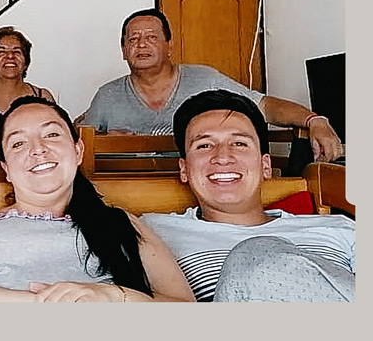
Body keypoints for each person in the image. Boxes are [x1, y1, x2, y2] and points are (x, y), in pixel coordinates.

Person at [0, 95, 194, 302]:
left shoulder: (121, 223)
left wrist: (111, 296)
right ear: (6, 170)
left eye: (51, 134)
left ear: (77, 151)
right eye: (18, 143)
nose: (38, 149)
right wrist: (45, 305)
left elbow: (186, 310)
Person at [141, 90, 354, 302]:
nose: (222, 157)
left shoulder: (339, 228)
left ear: (266, 166)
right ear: (184, 170)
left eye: (239, 144)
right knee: (253, 252)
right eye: (204, 145)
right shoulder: (150, 232)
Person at [76, 8, 343, 162]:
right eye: (132, 39)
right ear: (123, 50)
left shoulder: (204, 80)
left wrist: (314, 120)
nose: (141, 44)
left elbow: (264, 106)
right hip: (125, 195)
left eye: (151, 37)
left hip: (198, 188)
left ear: (169, 46)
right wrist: (103, 139)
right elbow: (77, 140)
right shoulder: (107, 95)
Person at [0, 27, 54, 136]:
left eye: (17, 51)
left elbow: (54, 135)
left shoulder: (42, 97)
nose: (10, 56)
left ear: (25, 63)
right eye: (1, 51)